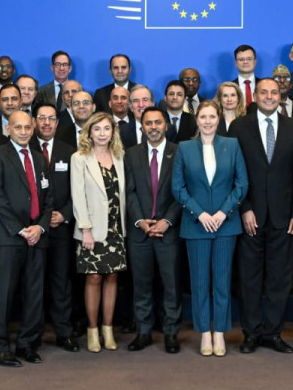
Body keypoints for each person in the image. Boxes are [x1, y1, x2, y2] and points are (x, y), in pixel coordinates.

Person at [233, 78, 293, 353]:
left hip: (284, 217)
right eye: (263, 92)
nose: (268, 96)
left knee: (279, 279)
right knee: (250, 279)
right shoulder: (239, 126)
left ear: (281, 96)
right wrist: (244, 207)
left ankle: (274, 333)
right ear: (255, 96)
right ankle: (251, 333)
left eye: (273, 92)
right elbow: (234, 172)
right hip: (250, 216)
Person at [172, 100, 248, 357]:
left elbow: (241, 184)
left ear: (219, 118)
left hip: (226, 225)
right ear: (197, 120)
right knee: (200, 282)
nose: (207, 121)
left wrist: (221, 213)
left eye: (212, 117)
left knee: (222, 282)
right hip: (196, 225)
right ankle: (205, 332)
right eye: (203, 117)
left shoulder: (232, 145)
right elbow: (178, 188)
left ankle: (220, 333)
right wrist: (201, 214)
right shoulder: (184, 148)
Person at [0, 111, 51, 367]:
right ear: (8, 129)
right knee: (5, 293)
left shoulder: (38, 158)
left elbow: (48, 197)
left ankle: (26, 344)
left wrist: (40, 228)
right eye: (17, 127)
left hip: (36, 236)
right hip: (8, 236)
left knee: (34, 293)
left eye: (27, 127)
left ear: (33, 128)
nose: (23, 132)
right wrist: (21, 229)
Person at [123, 107, 183, 353]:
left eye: (158, 122)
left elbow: (182, 192)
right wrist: (141, 221)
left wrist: (166, 221)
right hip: (140, 232)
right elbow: (129, 191)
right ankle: (144, 331)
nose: (154, 127)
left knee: (171, 284)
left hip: (169, 230)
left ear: (166, 125)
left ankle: (171, 333)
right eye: (148, 123)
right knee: (141, 284)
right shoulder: (131, 154)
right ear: (142, 126)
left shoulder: (179, 153)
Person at [70, 112, 128, 353]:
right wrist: (85, 230)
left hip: (116, 228)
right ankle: (92, 331)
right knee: (93, 277)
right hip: (91, 230)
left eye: (107, 129)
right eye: (97, 129)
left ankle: (108, 329)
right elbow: (78, 196)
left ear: (113, 132)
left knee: (112, 277)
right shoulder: (80, 158)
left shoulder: (120, 156)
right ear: (89, 132)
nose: (102, 134)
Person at [33, 104, 79, 352]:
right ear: (34, 121)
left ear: (58, 123)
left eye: (52, 118)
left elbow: (79, 190)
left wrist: (65, 215)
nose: (47, 123)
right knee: (34, 282)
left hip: (61, 228)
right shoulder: (25, 148)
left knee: (61, 282)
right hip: (33, 230)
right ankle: (34, 333)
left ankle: (64, 332)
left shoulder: (69, 152)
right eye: (42, 118)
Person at [119, 84, 154, 149]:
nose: (141, 105)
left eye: (145, 100)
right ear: (131, 107)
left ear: (152, 104)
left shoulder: (167, 130)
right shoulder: (121, 132)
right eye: (136, 101)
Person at [232, 44, 258, 108]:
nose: (245, 62)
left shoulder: (263, 85)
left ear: (255, 62)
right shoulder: (230, 87)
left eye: (249, 59)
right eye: (241, 59)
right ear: (235, 63)